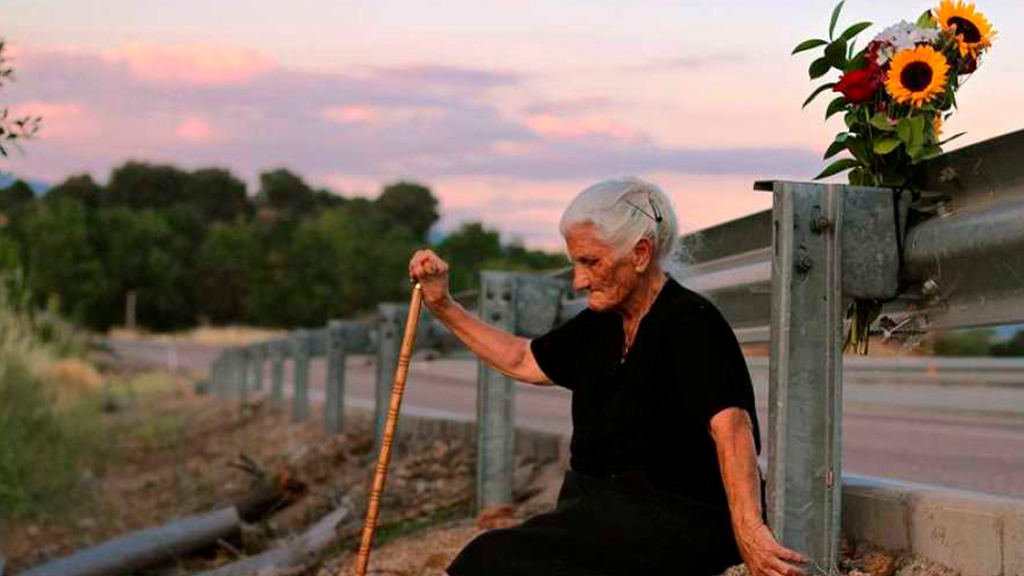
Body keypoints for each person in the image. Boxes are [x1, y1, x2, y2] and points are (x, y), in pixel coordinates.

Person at [408, 177, 807, 576]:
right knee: (496, 554)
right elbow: (520, 359)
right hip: (601, 515)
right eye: (575, 263)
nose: (578, 281)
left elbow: (732, 428)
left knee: (491, 560)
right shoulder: (599, 324)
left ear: (640, 254)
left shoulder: (689, 322)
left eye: (590, 262)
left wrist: (750, 531)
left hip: (673, 519)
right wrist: (443, 305)